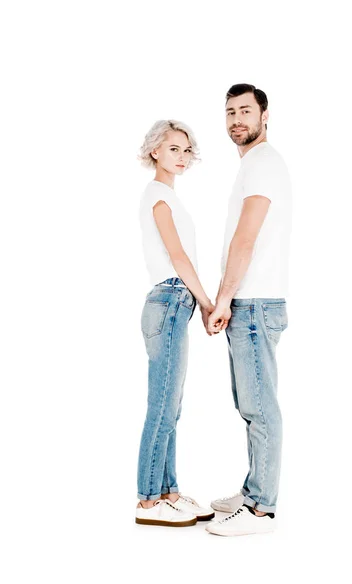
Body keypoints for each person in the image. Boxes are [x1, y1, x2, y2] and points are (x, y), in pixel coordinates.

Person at [205, 84, 292, 536]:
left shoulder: (262, 163)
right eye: (229, 112)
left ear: (265, 114)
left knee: (260, 406)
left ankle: (261, 508)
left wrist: (223, 299)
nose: (237, 119)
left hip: (253, 302)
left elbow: (246, 238)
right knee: (250, 404)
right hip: (252, 300)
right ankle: (253, 489)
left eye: (245, 110)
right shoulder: (256, 164)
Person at [135, 119, 216, 527]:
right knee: (162, 406)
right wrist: (207, 302)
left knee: (172, 406)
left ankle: (168, 491)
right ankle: (148, 500)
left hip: (173, 301)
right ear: (155, 151)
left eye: (186, 150)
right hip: (170, 297)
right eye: (173, 149)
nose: (182, 157)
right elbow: (179, 258)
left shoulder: (168, 196)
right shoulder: (158, 197)